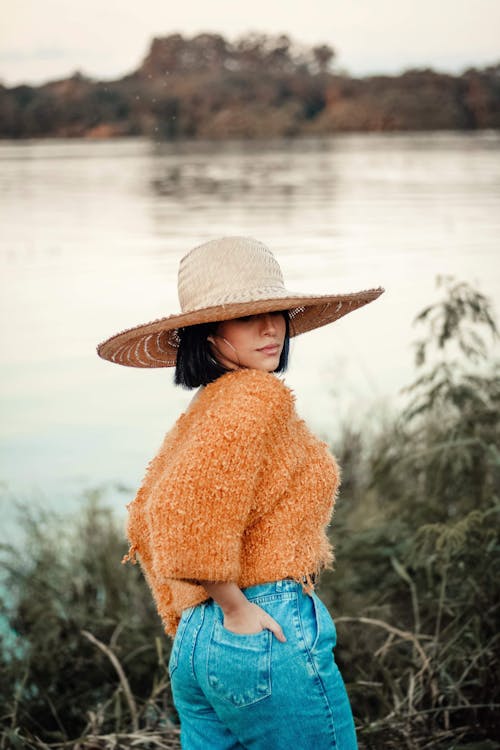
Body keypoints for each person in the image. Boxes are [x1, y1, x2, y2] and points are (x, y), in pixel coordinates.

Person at [97, 236, 384, 749]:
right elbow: (179, 517)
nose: (271, 327)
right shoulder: (255, 395)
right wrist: (234, 607)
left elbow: (145, 515)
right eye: (248, 316)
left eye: (274, 312)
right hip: (259, 624)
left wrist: (201, 615)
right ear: (208, 333)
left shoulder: (210, 405)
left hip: (198, 640)